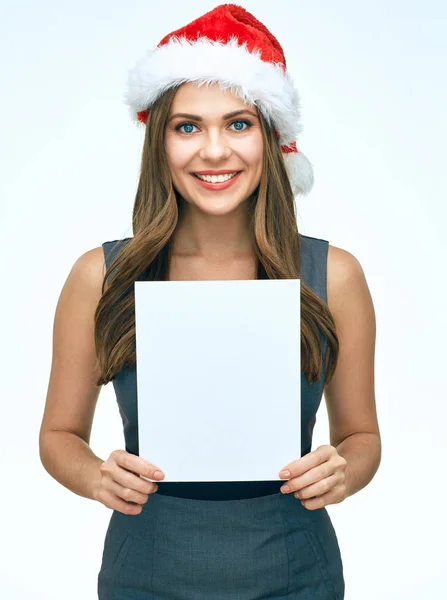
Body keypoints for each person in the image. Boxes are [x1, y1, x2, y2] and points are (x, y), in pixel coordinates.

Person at [39, 3, 381, 599]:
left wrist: (344, 470)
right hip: (146, 569)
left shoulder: (334, 275)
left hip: (295, 571)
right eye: (188, 126)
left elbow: (363, 437)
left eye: (239, 124)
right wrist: (97, 477)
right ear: (160, 142)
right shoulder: (101, 275)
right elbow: (58, 435)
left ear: (273, 140)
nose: (215, 151)